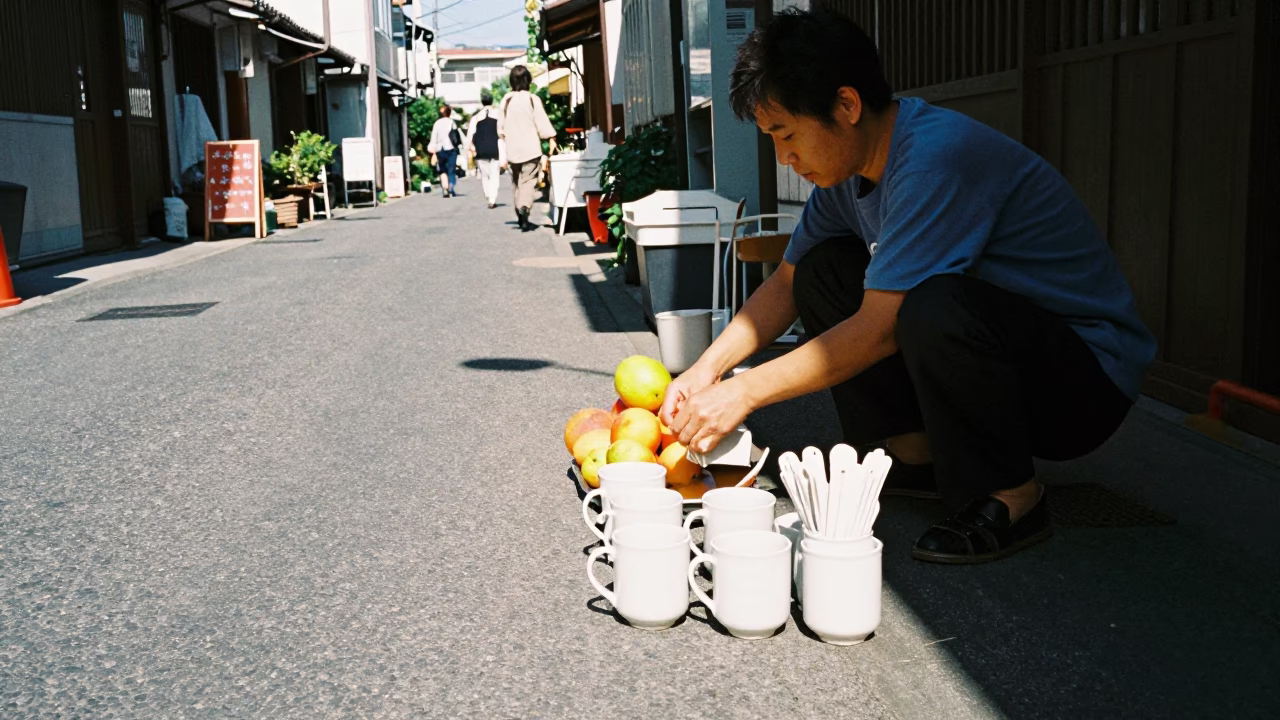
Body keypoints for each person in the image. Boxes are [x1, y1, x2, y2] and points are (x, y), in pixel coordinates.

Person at [658, 9, 1156, 565]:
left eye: (787, 134)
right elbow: (787, 283)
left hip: (1084, 384)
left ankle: (1014, 496)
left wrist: (742, 393)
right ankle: (916, 457)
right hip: (1009, 349)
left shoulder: (935, 159)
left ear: (846, 106)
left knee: (928, 305)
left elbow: (875, 332)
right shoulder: (845, 179)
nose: (783, 158)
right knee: (823, 268)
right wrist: (706, 370)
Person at [499, 65, 557, 231]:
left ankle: (520, 212)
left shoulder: (506, 100)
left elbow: (500, 128)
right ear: (528, 81)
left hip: (513, 150)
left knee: (517, 182)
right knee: (528, 181)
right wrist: (551, 137)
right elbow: (543, 124)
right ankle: (524, 207)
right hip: (531, 149)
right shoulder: (532, 99)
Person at [465, 90, 506, 209]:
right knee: (494, 174)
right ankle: (492, 199)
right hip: (495, 148)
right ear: (492, 100)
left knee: (484, 175)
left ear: (482, 102)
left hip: (481, 149)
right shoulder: (498, 114)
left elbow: (470, 136)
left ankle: (488, 195)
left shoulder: (476, 117)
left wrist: (470, 148)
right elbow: (503, 133)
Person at [428, 104, 460, 198]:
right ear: (449, 113)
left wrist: (433, 149)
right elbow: (456, 136)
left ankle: (445, 189)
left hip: (440, 149)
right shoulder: (452, 122)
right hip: (451, 149)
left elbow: (433, 138)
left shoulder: (437, 123)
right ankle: (450, 187)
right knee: (451, 170)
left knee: (443, 170)